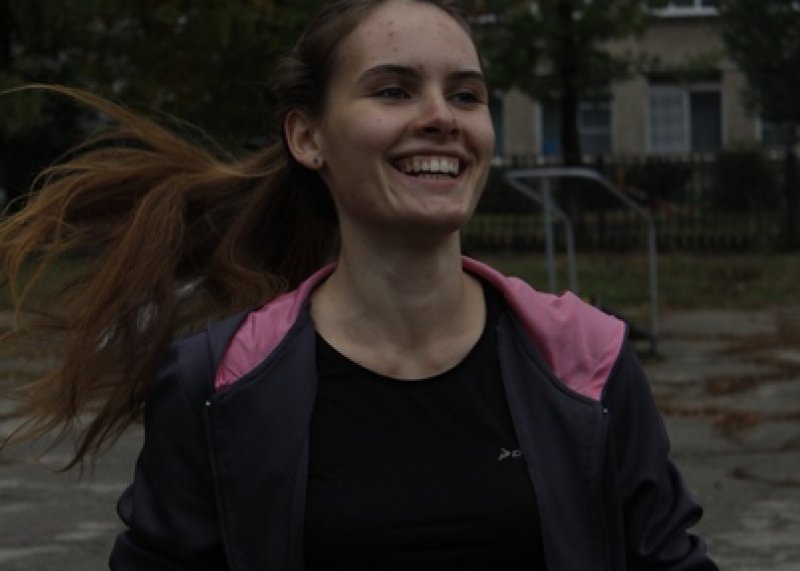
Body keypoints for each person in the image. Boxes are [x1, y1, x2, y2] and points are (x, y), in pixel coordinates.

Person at [0, 0, 719, 569]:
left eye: (466, 95)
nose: (441, 117)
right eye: (394, 90)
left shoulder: (587, 362)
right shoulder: (217, 384)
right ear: (307, 138)